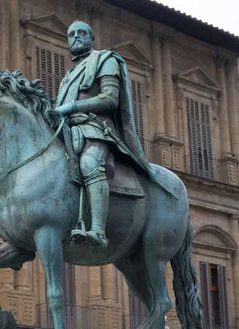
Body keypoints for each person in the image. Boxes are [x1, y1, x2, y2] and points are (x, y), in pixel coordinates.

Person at [55, 20, 167, 248]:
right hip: (69, 132)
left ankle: (98, 230)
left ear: (91, 38)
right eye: (71, 34)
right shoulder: (68, 76)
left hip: (96, 130)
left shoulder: (105, 60)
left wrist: (73, 107)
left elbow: (110, 99)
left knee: (89, 164)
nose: (76, 37)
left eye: (81, 33)